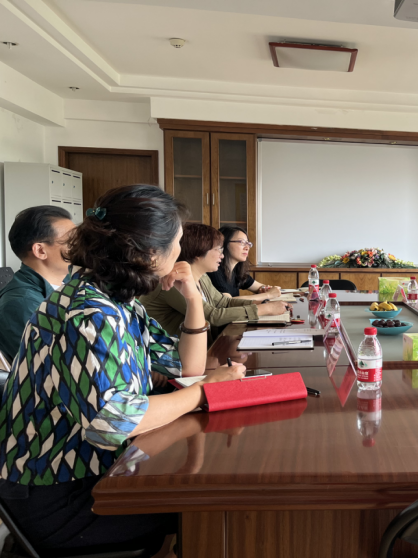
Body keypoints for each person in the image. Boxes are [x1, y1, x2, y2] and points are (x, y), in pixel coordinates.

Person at [0, 184, 246, 555]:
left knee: (211, 496)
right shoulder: (89, 313)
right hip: (60, 495)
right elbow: (114, 422)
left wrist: (194, 299)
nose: (180, 252)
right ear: (149, 254)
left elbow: (187, 367)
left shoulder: (118, 301)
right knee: (218, 506)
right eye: (177, 242)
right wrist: (203, 391)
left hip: (98, 474)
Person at [141, 223, 290, 342]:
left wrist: (263, 303)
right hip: (169, 359)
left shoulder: (203, 277)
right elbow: (212, 316)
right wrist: (264, 309)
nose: (222, 255)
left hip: (199, 350)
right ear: (199, 251)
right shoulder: (174, 280)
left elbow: (224, 302)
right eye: (218, 250)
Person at [0, 206, 75, 360]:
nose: (81, 248)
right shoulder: (22, 303)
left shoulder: (71, 283)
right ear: (40, 251)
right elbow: (51, 364)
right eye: (71, 242)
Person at [207, 226, 281, 300]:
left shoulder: (236, 271)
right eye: (241, 242)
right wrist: (268, 295)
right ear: (224, 243)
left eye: (248, 243)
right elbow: (228, 302)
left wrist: (265, 289)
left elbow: (259, 287)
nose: (247, 247)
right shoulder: (214, 270)